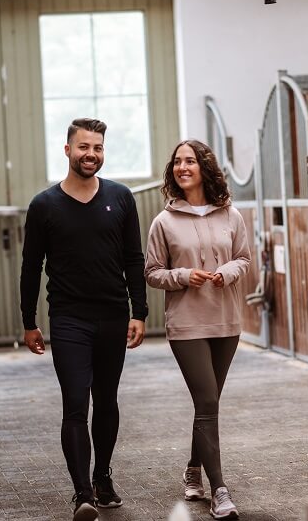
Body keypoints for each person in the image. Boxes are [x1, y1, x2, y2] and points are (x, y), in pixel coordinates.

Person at [20, 118, 148, 521]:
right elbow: (30, 267)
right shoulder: (44, 205)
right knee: (76, 403)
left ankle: (103, 476)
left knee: (106, 401)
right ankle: (82, 494)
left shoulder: (121, 198)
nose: (91, 154)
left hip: (112, 316)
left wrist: (139, 313)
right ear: (67, 150)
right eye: (83, 147)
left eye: (98, 147)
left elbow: (134, 259)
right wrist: (29, 320)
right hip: (69, 319)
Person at [145, 140, 250, 520]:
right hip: (187, 323)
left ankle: (193, 467)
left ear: (204, 167)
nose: (182, 167)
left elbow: (243, 258)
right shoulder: (164, 221)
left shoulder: (231, 215)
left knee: (209, 404)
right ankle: (220, 490)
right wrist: (184, 276)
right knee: (207, 403)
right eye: (177, 162)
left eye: (190, 161)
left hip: (226, 321)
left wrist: (228, 272)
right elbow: (152, 272)